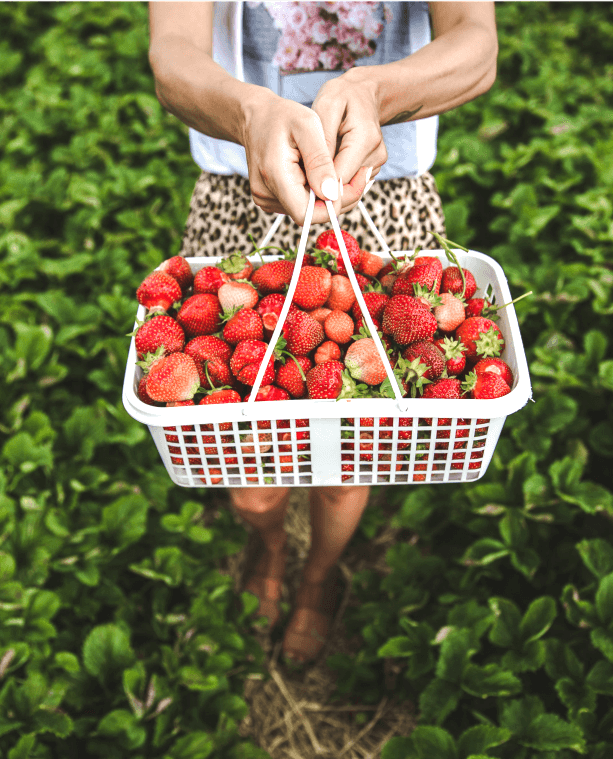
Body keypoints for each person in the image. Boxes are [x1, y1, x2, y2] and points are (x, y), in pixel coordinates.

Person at [148, 1, 497, 665]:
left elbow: (475, 44)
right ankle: (269, 541)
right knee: (248, 465)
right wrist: (249, 112)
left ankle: (318, 574)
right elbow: (172, 53)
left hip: (385, 193)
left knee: (350, 455)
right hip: (242, 188)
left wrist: (374, 89)